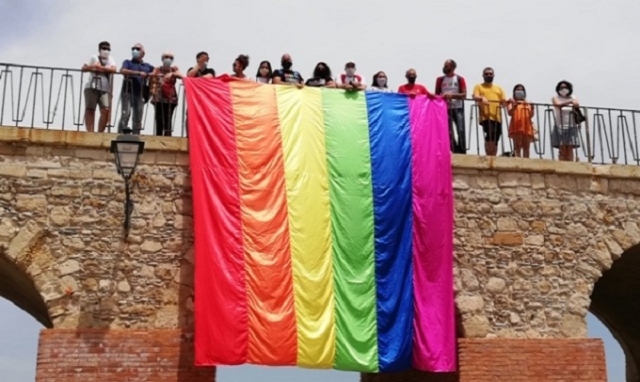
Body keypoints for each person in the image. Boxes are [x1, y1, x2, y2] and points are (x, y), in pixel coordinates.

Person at [118, 43, 154, 134]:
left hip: (140, 93)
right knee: (126, 114)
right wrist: (138, 73)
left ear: (143, 53)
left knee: (138, 117)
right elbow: (122, 70)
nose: (135, 50)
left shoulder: (147, 66)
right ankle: (121, 133)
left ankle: (136, 136)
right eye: (133, 48)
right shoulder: (127, 62)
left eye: (137, 49)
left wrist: (151, 78)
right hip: (127, 92)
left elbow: (156, 72)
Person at [81, 41, 117, 133]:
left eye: (108, 49)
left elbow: (114, 69)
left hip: (105, 88)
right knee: (90, 109)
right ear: (99, 49)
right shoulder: (94, 57)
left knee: (105, 110)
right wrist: (94, 66)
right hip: (92, 86)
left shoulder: (110, 59)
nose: (106, 50)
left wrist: (99, 68)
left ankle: (100, 132)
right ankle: (90, 131)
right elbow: (84, 68)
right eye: (104, 48)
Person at [472, 67, 507, 156]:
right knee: (490, 134)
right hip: (486, 116)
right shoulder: (479, 86)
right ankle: (489, 155)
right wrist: (482, 98)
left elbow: (503, 101)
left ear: (493, 75)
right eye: (487, 74)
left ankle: (493, 155)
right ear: (483, 75)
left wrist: (509, 102)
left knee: (496, 137)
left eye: (490, 74)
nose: (489, 75)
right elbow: (475, 96)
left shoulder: (498, 88)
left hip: (497, 117)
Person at [436, 59, 467, 154]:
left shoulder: (459, 79)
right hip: (445, 108)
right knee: (448, 131)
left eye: (447, 66)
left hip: (458, 107)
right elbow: (437, 94)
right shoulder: (440, 80)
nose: (444, 68)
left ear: (453, 67)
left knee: (460, 129)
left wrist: (452, 96)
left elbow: (464, 94)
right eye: (444, 65)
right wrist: (443, 96)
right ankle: (454, 149)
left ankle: (462, 150)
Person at [149, 51, 183, 137]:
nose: (168, 59)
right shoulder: (157, 69)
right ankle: (158, 136)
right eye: (166, 57)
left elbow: (181, 76)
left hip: (170, 98)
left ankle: (168, 136)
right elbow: (152, 76)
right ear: (162, 59)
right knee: (159, 118)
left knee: (168, 118)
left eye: (171, 58)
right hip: (159, 96)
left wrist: (172, 74)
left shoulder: (174, 69)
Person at [552, 80, 581, 162]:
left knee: (570, 146)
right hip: (559, 125)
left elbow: (577, 104)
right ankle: (562, 161)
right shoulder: (556, 98)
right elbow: (557, 104)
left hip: (572, 125)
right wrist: (569, 102)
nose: (563, 89)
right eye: (561, 87)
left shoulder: (573, 97)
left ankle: (570, 162)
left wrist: (572, 101)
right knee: (562, 146)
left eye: (565, 87)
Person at [507, 84, 535, 158]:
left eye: (521, 90)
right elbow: (509, 113)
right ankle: (517, 162)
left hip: (526, 125)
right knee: (517, 146)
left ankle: (526, 163)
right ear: (514, 92)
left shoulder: (527, 103)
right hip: (516, 125)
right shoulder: (511, 102)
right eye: (518, 90)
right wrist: (514, 106)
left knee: (526, 147)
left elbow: (531, 115)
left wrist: (532, 108)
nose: (519, 91)